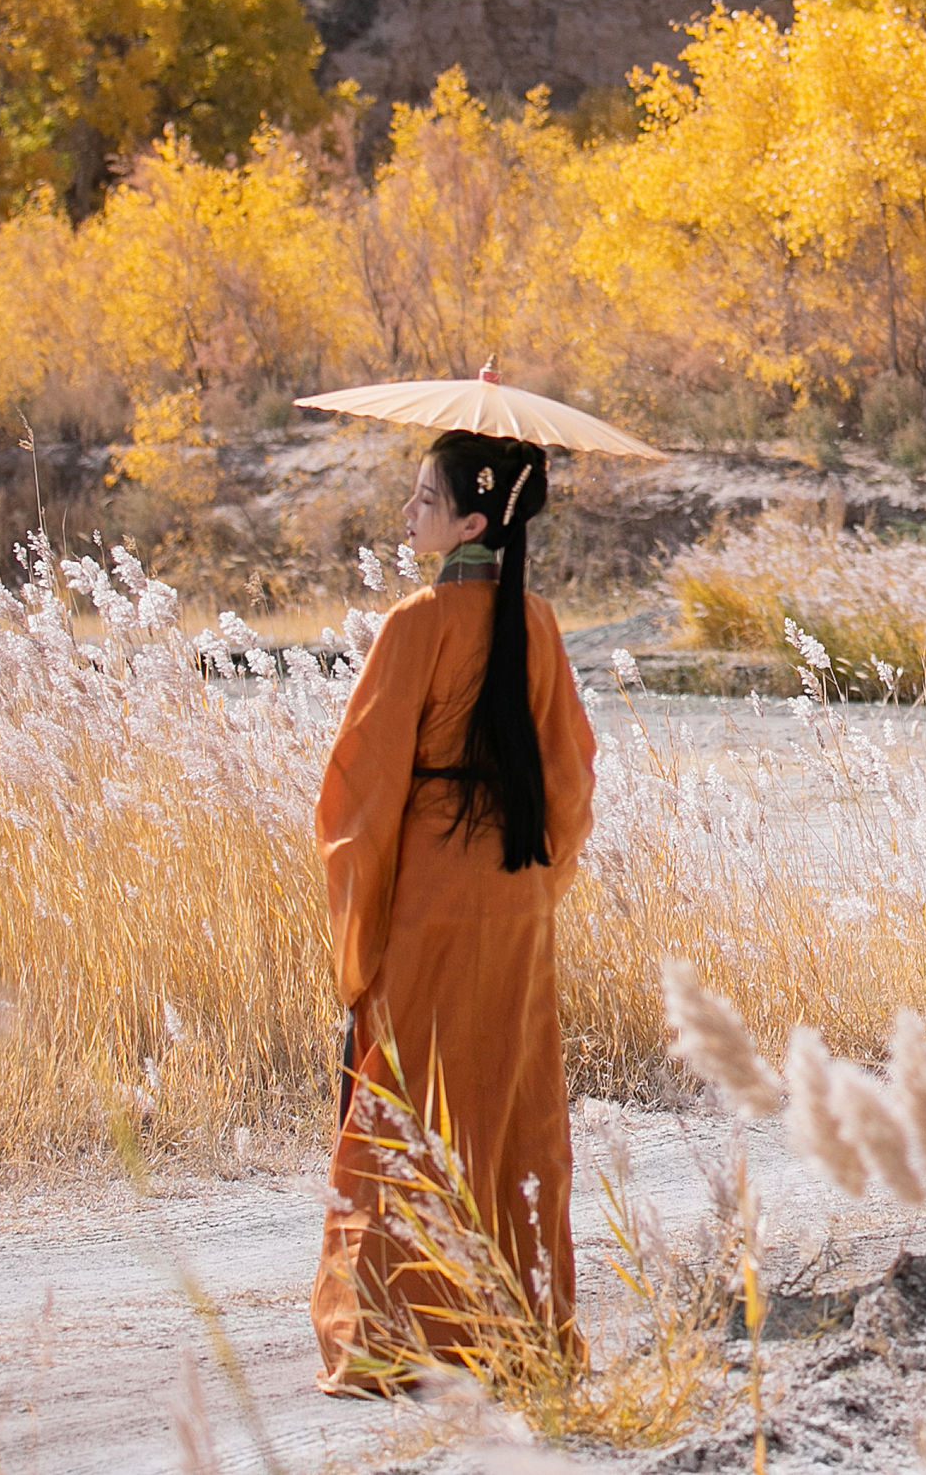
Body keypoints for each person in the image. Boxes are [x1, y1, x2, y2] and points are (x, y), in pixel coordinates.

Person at [309, 428, 599, 1389]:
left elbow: (358, 797)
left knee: (406, 1106)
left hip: (430, 896)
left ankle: (398, 1335)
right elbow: (569, 785)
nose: (408, 513)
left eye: (424, 499)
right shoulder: (542, 625)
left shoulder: (415, 624)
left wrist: (361, 938)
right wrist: (534, 889)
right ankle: (518, 1334)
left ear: (475, 520)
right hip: (514, 899)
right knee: (510, 1104)